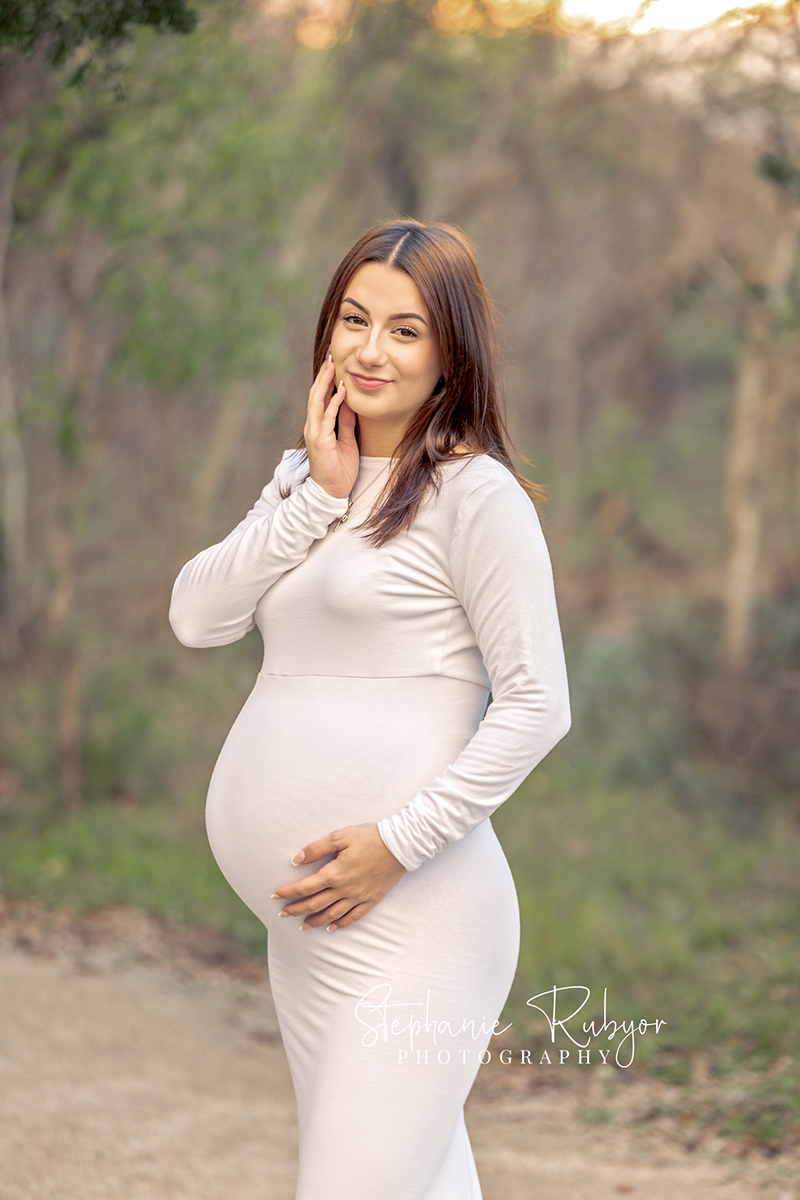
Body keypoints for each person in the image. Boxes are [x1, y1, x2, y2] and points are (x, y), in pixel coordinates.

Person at [169, 217, 571, 1200]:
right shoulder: (306, 474)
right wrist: (312, 494)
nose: (367, 348)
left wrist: (396, 842)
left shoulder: (477, 497)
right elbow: (196, 616)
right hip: (309, 928)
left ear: (450, 355)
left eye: (403, 330)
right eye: (353, 319)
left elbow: (536, 704)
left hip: (419, 915)